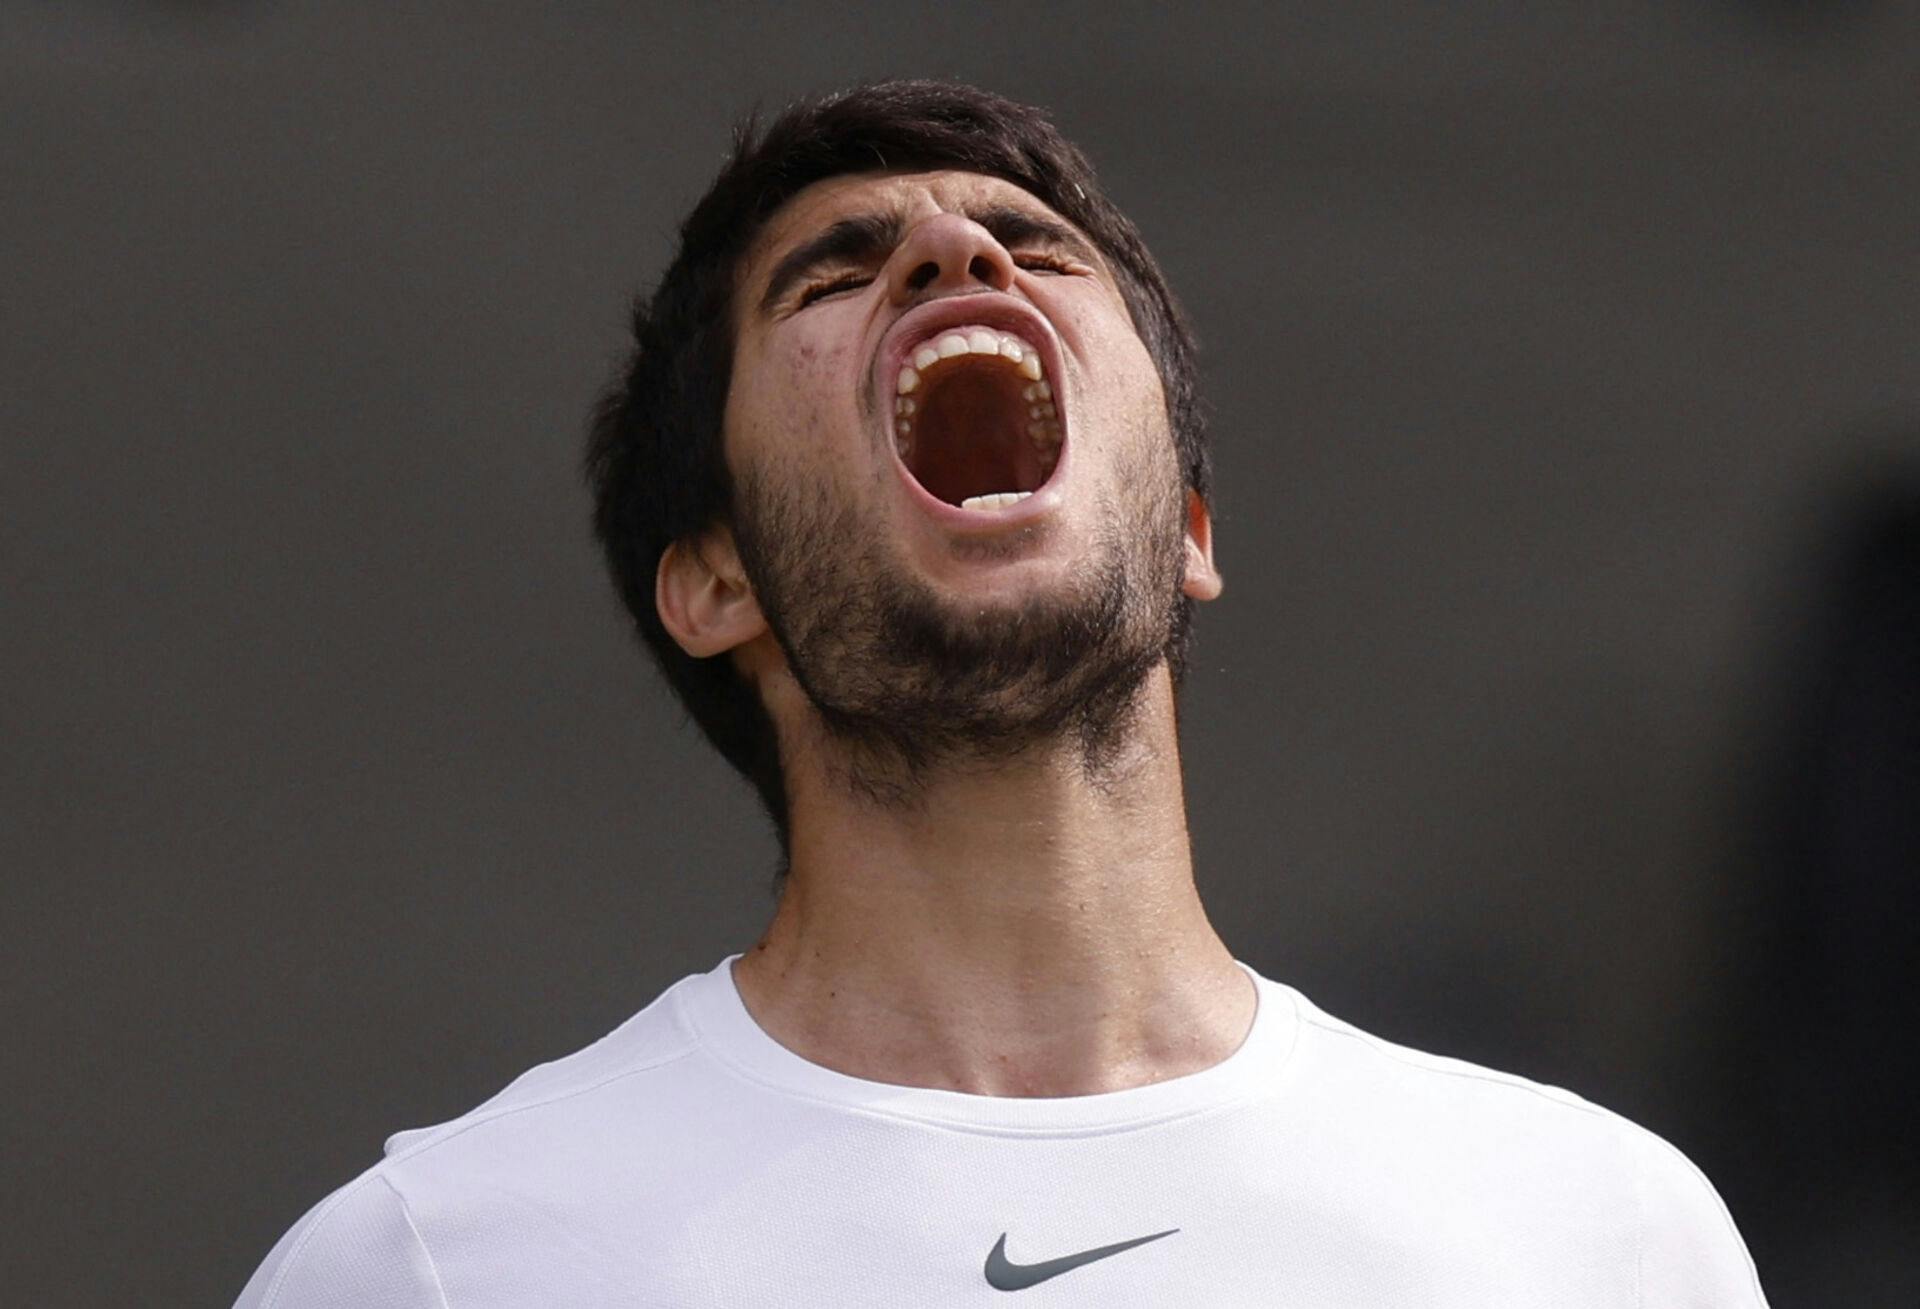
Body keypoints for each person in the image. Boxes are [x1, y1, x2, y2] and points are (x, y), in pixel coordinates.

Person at [236, 80, 1767, 1306]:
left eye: (1033, 250)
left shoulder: (1598, 1240)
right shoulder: (435, 1264)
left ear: (1186, 529)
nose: (952, 258)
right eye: (833, 276)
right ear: (716, 580)